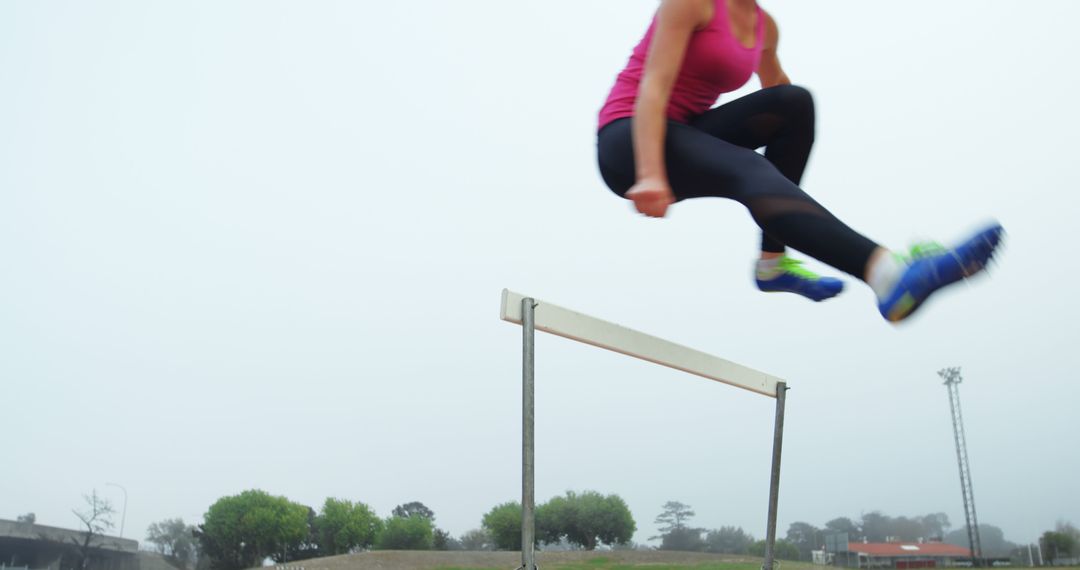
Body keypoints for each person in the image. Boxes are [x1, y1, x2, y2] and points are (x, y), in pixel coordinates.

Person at [595, 0, 1003, 322]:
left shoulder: (763, 26)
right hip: (629, 139)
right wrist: (649, 173)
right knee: (749, 170)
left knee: (796, 103)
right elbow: (654, 86)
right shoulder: (691, 2)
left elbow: (777, 95)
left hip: (689, 132)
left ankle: (771, 263)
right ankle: (886, 274)